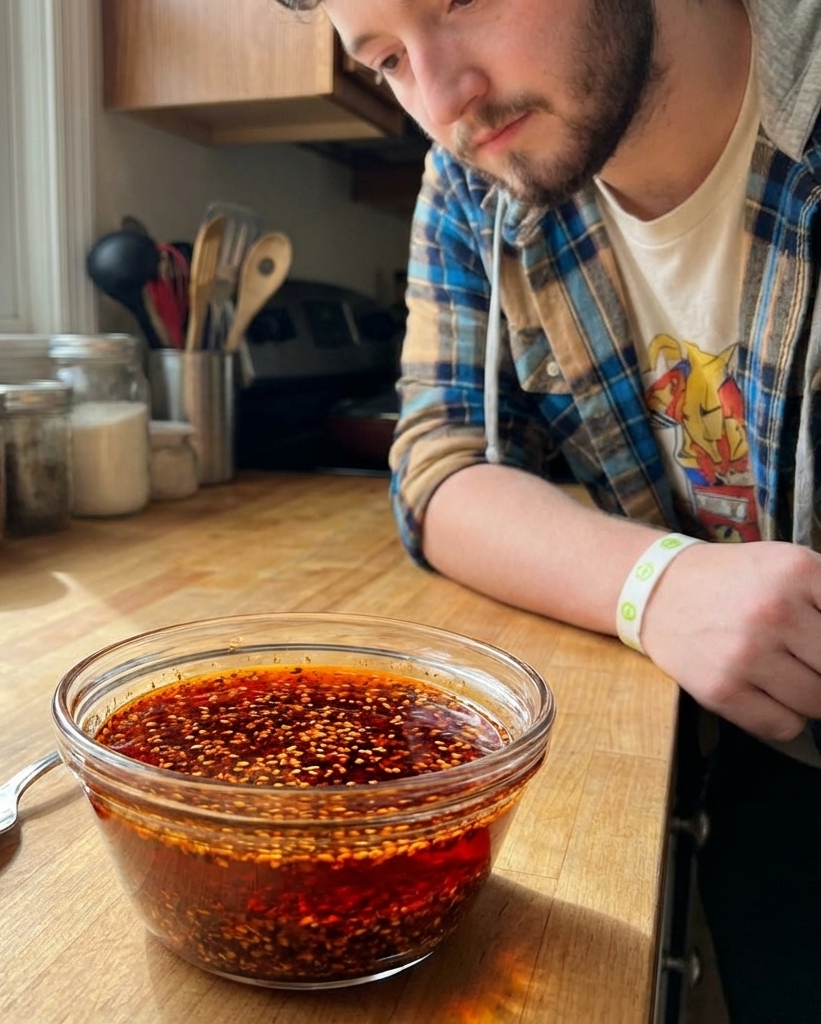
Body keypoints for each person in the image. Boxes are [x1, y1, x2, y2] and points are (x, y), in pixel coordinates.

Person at [268, 1, 821, 1020]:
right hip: (749, 750)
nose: (440, 102)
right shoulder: (476, 173)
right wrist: (659, 585)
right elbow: (438, 463)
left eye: (459, 0)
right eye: (388, 59)